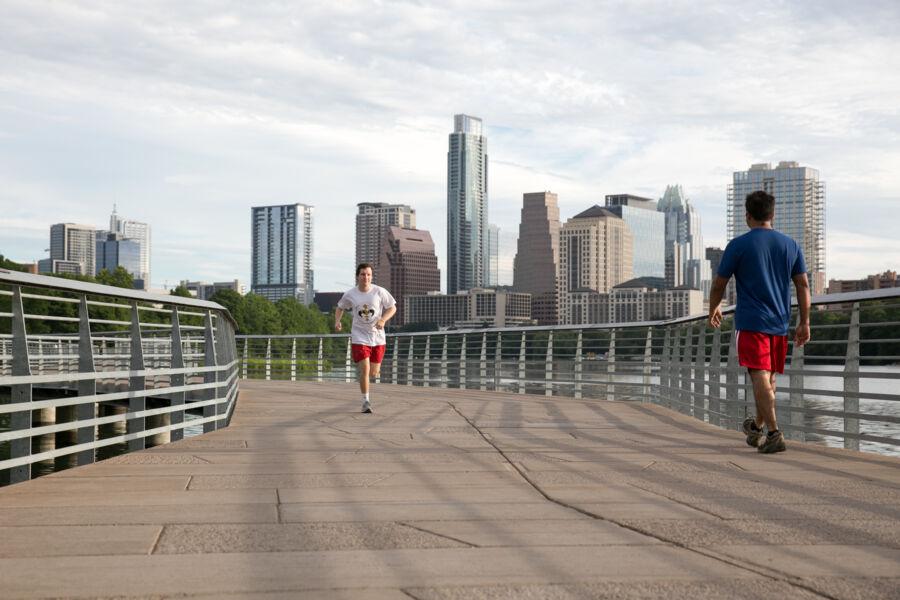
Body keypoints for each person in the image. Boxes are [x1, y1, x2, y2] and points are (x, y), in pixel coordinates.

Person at [708, 190, 811, 454]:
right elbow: (803, 285)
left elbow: (720, 283)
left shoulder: (738, 245)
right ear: (772, 214)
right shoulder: (791, 245)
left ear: (747, 216)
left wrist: (714, 307)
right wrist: (805, 322)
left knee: (759, 376)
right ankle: (756, 428)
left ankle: (775, 433)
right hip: (780, 322)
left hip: (752, 321)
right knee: (767, 379)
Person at [335, 263, 397, 413]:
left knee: (373, 372)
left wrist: (383, 320)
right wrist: (337, 321)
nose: (366, 277)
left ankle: (368, 379)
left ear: (371, 276)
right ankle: (366, 402)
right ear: (358, 276)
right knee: (365, 369)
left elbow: (393, 307)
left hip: (377, 337)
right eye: (363, 274)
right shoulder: (351, 294)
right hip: (359, 335)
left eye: (368, 274)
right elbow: (340, 307)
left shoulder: (379, 291)